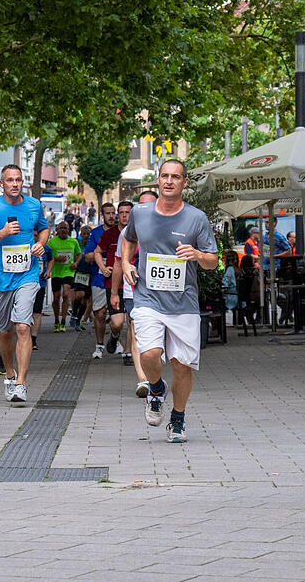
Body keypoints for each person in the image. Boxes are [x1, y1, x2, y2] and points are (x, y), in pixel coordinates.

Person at [122, 159, 218, 444]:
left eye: (175, 177)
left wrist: (198, 255)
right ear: (158, 179)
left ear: (184, 182)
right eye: (164, 176)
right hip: (147, 297)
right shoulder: (139, 213)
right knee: (150, 353)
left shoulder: (196, 218)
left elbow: (213, 261)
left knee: (181, 365)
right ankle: (155, 388)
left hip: (183, 303)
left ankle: (177, 418)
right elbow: (128, 239)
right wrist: (126, 263)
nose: (168, 181)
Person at [0, 164, 49, 403]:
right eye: (10, 180)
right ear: (2, 183)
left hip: (27, 275)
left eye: (18, 180)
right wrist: (3, 233)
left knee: (22, 327)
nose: (15, 184)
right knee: (3, 331)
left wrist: (41, 244)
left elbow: (44, 228)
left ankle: (21, 383)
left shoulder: (33, 205)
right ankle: (9, 373)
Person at [113, 190, 157, 395]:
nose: (144, 209)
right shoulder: (128, 232)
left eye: (149, 204)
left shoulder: (169, 227)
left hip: (162, 291)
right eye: (141, 204)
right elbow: (119, 263)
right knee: (137, 329)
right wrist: (115, 292)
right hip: (134, 290)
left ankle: (154, 375)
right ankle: (143, 380)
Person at [95, 200, 132, 356]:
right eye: (121, 213)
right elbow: (97, 252)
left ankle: (129, 353)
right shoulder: (110, 234)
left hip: (134, 283)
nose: (124, 216)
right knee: (117, 323)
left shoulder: (140, 233)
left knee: (133, 321)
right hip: (114, 283)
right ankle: (115, 336)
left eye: (127, 212)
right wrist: (103, 268)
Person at [85, 203, 116, 358]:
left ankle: (115, 339)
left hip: (118, 279)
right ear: (102, 215)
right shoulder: (96, 233)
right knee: (100, 313)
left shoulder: (121, 232)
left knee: (117, 315)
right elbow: (88, 256)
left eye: (113, 213)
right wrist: (101, 251)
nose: (111, 216)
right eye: (108, 213)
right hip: (99, 278)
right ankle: (99, 345)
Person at [47, 221, 80, 332]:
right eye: (61, 228)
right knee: (56, 298)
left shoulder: (73, 241)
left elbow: (79, 254)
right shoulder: (52, 242)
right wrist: (56, 259)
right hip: (56, 272)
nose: (63, 230)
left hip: (68, 272)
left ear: (68, 229)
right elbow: (47, 256)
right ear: (57, 229)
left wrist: (75, 263)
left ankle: (63, 320)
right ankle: (56, 320)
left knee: (66, 294)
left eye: (65, 228)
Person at [31, 242, 54, 349]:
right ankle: (25, 337)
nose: (35, 237)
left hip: (40, 283)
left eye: (37, 235)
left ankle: (33, 339)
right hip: (24, 284)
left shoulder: (46, 248)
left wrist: (48, 271)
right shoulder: (25, 243)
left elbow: (51, 259)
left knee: (37, 312)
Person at [70, 224, 93, 330]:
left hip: (89, 274)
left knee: (85, 300)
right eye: (84, 234)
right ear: (80, 234)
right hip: (78, 273)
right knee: (79, 295)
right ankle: (74, 315)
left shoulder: (93, 245)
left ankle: (78, 320)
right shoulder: (77, 244)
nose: (86, 236)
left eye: (88, 234)